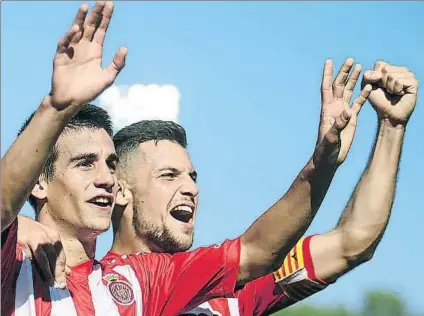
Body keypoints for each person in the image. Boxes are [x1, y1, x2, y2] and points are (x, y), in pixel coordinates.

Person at [2, 2, 370, 315]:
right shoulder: (11, 265)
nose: (105, 179)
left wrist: (322, 163)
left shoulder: (142, 280)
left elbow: (255, 251)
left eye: (111, 165)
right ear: (38, 182)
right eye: (85, 163)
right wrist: (57, 107)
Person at [106, 60, 419, 315]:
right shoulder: (90, 288)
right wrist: (321, 164)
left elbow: (352, 243)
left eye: (193, 176)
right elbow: (255, 250)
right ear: (119, 190)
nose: (190, 187)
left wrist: (392, 126)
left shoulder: (228, 294)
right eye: (169, 175)